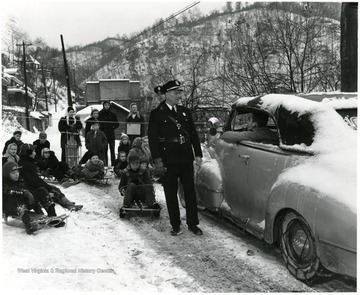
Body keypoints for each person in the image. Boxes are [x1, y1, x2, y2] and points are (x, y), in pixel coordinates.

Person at [148, 80, 203, 236]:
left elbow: (193, 134)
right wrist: (158, 160)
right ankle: (176, 225)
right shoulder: (157, 113)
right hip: (168, 160)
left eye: (179, 92)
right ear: (165, 94)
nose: (178, 95)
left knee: (190, 192)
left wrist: (198, 153)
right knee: (171, 193)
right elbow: (153, 139)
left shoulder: (185, 111)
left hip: (186, 157)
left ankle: (193, 223)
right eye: (175, 93)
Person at [18, 143, 81, 211]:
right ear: (28, 153)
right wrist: (48, 187)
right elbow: (36, 180)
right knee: (54, 190)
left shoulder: (25, 161)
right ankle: (68, 205)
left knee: (54, 190)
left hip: (29, 186)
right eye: (33, 151)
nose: (35, 153)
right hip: (29, 189)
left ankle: (68, 204)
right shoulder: (27, 165)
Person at [2, 162, 39, 234]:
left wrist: (37, 207)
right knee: (15, 197)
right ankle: (28, 225)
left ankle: (52, 216)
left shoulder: (20, 180)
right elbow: (10, 191)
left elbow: (27, 193)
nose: (16, 174)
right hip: (9, 208)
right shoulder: (3, 182)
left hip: (23, 206)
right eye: (13, 173)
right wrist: (24, 192)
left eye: (17, 172)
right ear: (7, 174)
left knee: (41, 191)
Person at [98, 101, 119, 166]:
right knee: (104, 151)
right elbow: (98, 123)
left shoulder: (112, 114)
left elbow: (117, 124)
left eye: (108, 105)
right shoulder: (100, 113)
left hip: (111, 135)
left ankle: (113, 164)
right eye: (105, 105)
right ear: (103, 106)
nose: (107, 106)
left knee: (112, 150)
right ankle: (105, 164)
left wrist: (112, 127)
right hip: (104, 135)